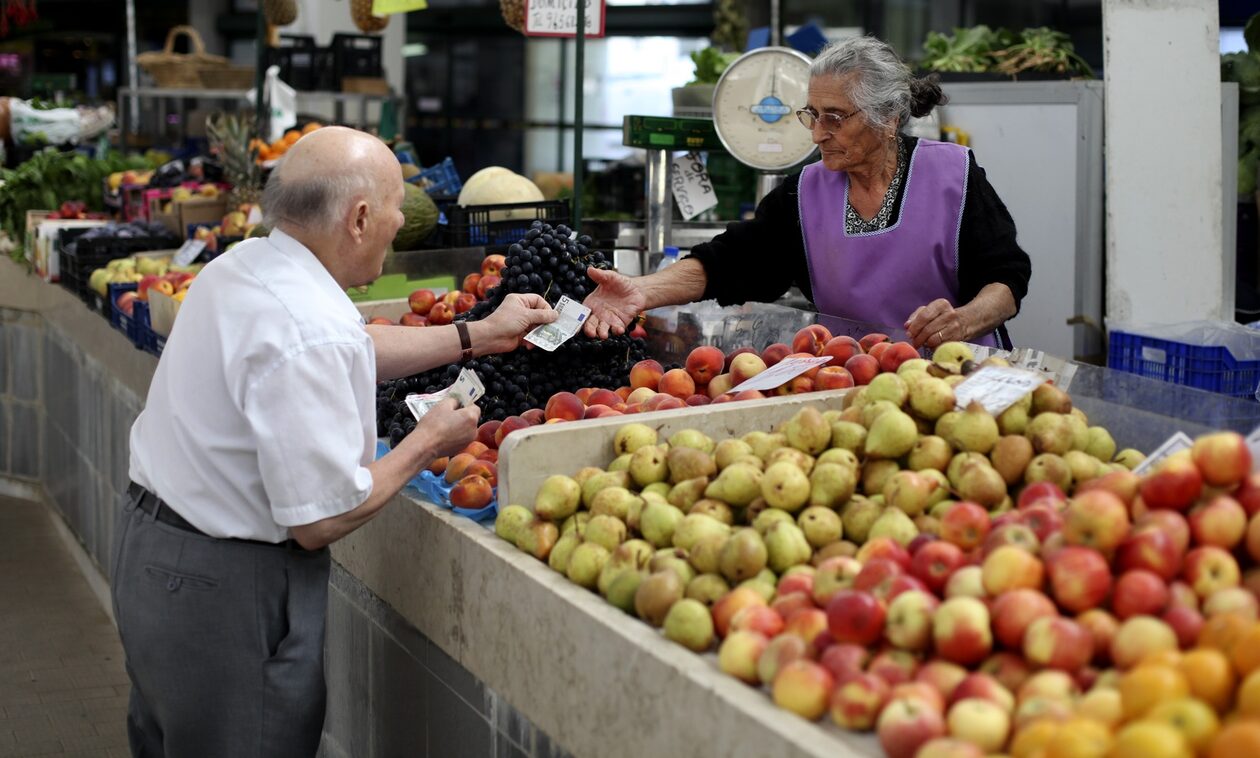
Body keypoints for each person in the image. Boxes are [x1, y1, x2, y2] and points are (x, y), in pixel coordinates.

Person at [110, 127, 556, 758]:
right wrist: (429, 440)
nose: (404, 219)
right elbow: (320, 518)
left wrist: (478, 334)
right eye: (398, 205)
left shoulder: (246, 266)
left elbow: (350, 346)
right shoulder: (305, 323)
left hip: (156, 554)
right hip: (224, 590)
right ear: (360, 218)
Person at [582, 36, 1031, 350]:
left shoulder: (952, 173)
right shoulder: (804, 194)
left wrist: (965, 319)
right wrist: (642, 290)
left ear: (889, 117)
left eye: (835, 117)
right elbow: (731, 262)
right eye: (812, 114)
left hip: (959, 380)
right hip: (851, 387)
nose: (818, 134)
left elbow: (1007, 278)